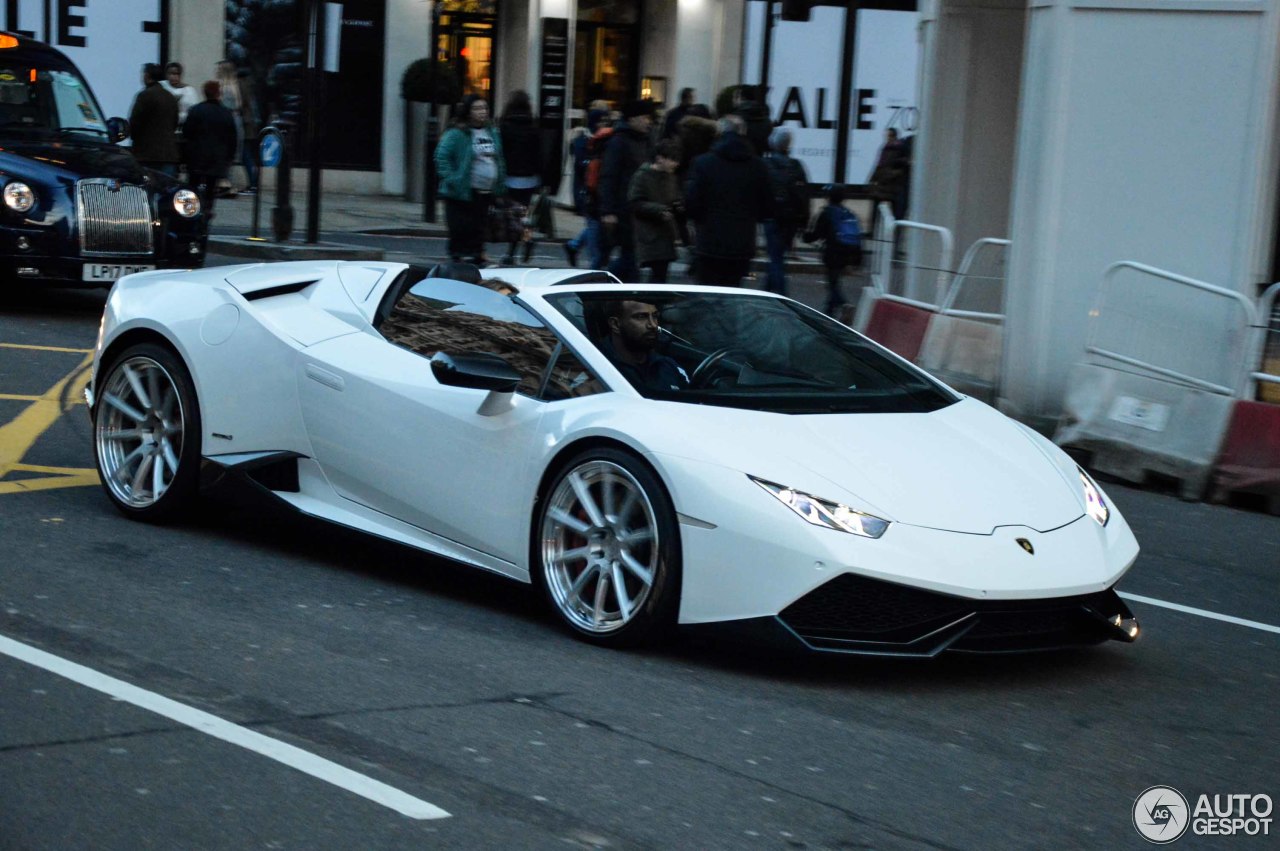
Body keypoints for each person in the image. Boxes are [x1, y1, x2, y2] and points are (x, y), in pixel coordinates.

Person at [684, 115, 775, 287]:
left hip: (710, 240)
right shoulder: (758, 166)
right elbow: (767, 208)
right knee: (733, 292)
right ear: (743, 133)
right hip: (742, 242)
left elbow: (692, 203)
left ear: (720, 132)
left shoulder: (703, 163)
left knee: (707, 292)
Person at [435, 94, 507, 266]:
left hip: (486, 189)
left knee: (480, 226)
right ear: (467, 112)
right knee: (460, 227)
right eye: (477, 108)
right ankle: (457, 260)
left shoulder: (492, 132)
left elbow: (498, 157)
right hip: (462, 190)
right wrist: (452, 178)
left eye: (484, 108)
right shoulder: (457, 133)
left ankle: (477, 256)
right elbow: (441, 156)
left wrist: (500, 181)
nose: (482, 112)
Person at [598, 99, 655, 281]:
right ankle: (602, 282)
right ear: (632, 119)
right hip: (623, 208)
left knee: (631, 256)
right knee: (629, 256)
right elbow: (608, 176)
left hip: (638, 207)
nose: (648, 122)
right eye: (645, 117)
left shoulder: (645, 140)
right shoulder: (619, 142)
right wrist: (608, 210)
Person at [600, 299, 689, 393]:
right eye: (641, 317)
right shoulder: (597, 368)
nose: (653, 325)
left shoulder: (669, 366)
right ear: (616, 324)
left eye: (655, 316)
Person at [762, 128, 811, 295]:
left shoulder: (766, 165)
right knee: (777, 255)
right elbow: (804, 194)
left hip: (772, 216)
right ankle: (766, 292)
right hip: (790, 218)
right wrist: (803, 220)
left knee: (775, 258)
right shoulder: (796, 166)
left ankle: (781, 297)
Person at [627, 139, 683, 283]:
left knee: (661, 273)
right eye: (672, 159)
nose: (675, 164)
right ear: (659, 158)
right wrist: (658, 210)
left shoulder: (671, 177)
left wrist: (678, 205)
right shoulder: (642, 176)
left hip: (665, 231)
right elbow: (635, 202)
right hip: (648, 231)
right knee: (646, 270)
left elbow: (674, 198)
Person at [804, 184, 864, 316]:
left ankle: (844, 305)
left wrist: (805, 237)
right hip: (848, 251)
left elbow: (816, 234)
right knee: (834, 281)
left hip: (833, 252)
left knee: (832, 283)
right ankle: (828, 313)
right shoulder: (848, 213)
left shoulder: (826, 213)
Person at [181, 80, 237, 221]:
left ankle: (190, 214)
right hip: (216, 159)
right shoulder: (226, 113)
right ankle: (206, 212)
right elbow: (232, 139)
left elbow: (186, 133)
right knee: (210, 189)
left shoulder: (196, 111)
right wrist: (229, 158)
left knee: (192, 186)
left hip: (197, 158)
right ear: (219, 93)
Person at [497, 90, 541, 265]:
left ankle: (511, 252)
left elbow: (501, 153)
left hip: (509, 176)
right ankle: (526, 239)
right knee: (523, 214)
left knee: (511, 216)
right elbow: (539, 154)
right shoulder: (533, 126)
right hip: (529, 178)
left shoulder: (504, 126)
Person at [564, 108, 608, 267]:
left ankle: (574, 246)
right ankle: (593, 265)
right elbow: (580, 165)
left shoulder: (602, 139)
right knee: (594, 227)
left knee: (594, 226)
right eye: (601, 121)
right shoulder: (583, 141)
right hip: (587, 191)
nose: (603, 124)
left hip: (593, 191)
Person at [216, 59, 259, 194]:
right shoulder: (238, 85)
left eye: (219, 69)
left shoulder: (231, 86)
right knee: (243, 155)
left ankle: (251, 184)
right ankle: (252, 184)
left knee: (240, 155)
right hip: (242, 123)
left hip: (238, 124)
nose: (216, 71)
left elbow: (241, 106)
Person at [128, 63, 180, 176]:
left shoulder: (144, 96)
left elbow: (135, 122)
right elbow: (175, 123)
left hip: (146, 155)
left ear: (147, 76)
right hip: (168, 155)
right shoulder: (170, 97)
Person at [731, 85, 772, 157]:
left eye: (736, 97)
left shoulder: (735, 119)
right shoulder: (765, 119)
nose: (733, 100)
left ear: (742, 98)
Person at [161, 62, 199, 127]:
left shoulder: (189, 91)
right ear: (166, 75)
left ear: (180, 75)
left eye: (176, 74)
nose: (173, 77)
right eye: (170, 74)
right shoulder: (161, 86)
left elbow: (194, 111)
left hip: (183, 125)